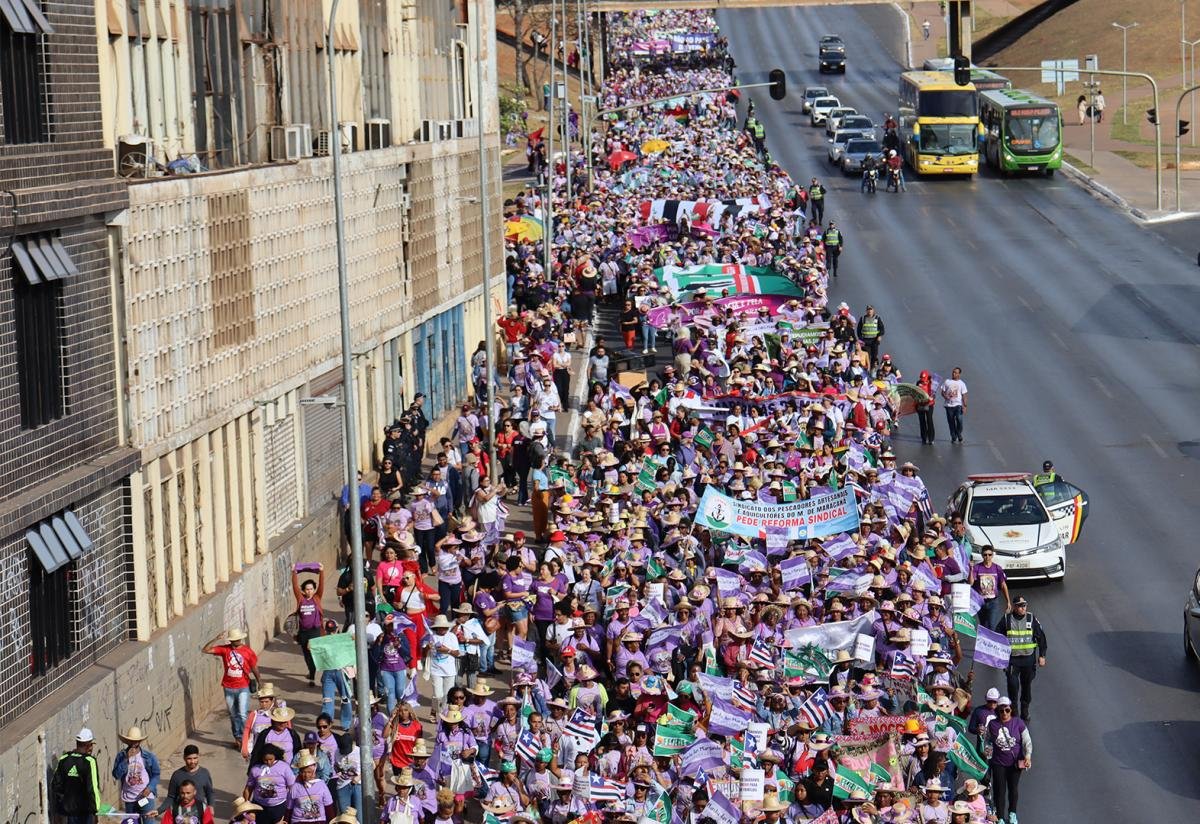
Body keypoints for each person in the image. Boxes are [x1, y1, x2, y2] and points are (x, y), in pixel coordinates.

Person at [201, 627, 261, 745]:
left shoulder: (248, 651)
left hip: (243, 686)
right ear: (230, 641)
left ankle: (245, 737)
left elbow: (254, 667)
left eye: (238, 640)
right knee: (233, 715)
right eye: (234, 640)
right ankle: (237, 737)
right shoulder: (225, 650)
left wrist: (260, 680)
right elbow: (205, 650)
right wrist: (215, 639)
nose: (236, 642)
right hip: (228, 687)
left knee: (242, 714)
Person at [996, 596, 1047, 720]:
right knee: (1013, 686)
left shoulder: (1031, 618)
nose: (1023, 608)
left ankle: (1025, 710)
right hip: (1012, 660)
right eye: (1020, 605)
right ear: (1014, 607)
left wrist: (1042, 655)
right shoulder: (1006, 619)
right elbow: (996, 636)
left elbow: (1041, 637)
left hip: (1028, 660)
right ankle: (1014, 713)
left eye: (1024, 605)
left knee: (1026, 686)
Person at [984, 697, 1032, 824]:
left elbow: (1027, 741)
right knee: (999, 790)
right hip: (998, 763)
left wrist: (1027, 756)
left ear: (1011, 710)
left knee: (1013, 789)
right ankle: (1000, 817)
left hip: (1015, 763)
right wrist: (987, 751)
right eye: (1001, 711)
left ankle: (1012, 813)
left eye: (1007, 710)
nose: (1004, 713)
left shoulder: (1018, 723)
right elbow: (987, 740)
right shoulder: (993, 724)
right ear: (998, 712)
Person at [51, 728, 102, 824]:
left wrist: (59, 810)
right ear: (88, 745)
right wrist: (95, 811)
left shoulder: (64, 759)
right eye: (91, 745)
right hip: (85, 813)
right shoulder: (89, 762)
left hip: (68, 813)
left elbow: (56, 786)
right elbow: (93, 789)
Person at [111, 725, 160, 817]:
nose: (133, 743)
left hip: (145, 797)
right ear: (127, 741)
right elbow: (116, 775)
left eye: (136, 740)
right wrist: (126, 759)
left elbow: (156, 774)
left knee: (148, 822)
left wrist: (150, 788)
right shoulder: (121, 756)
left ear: (140, 741)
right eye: (131, 740)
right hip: (129, 798)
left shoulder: (148, 756)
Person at [292, 563, 326, 685]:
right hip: (303, 632)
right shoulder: (301, 599)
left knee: (313, 653)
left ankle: (313, 676)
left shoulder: (316, 598)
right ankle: (311, 673)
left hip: (315, 631)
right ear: (303, 590)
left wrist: (321, 571)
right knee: (306, 655)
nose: (309, 591)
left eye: (311, 589)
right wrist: (294, 573)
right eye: (307, 589)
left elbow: (322, 586)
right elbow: (294, 586)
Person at [160, 743, 214, 812]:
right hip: (181, 814)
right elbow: (171, 797)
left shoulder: (205, 773)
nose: (192, 761)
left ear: (198, 757)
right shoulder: (177, 775)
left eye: (195, 758)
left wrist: (211, 806)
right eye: (189, 759)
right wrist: (159, 810)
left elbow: (210, 793)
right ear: (184, 758)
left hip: (201, 812)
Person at [969, 545, 1010, 630]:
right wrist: (970, 570)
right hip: (980, 602)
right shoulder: (977, 567)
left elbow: (1003, 585)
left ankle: (993, 641)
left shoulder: (997, 568)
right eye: (985, 555)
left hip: (993, 602)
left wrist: (1008, 601)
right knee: (984, 627)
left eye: (989, 554)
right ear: (982, 555)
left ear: (992, 555)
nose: (987, 557)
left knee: (992, 626)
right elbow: (970, 582)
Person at [940, 366, 967, 443]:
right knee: (951, 422)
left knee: (959, 419)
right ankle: (953, 436)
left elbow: (964, 395)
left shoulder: (962, 383)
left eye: (955, 372)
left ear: (959, 374)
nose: (953, 373)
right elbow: (942, 392)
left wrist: (965, 406)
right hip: (948, 406)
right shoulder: (947, 381)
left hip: (958, 405)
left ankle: (959, 433)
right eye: (953, 372)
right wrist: (945, 396)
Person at [916, 369, 936, 444]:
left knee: (929, 420)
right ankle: (924, 438)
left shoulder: (931, 383)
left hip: (929, 404)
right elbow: (915, 392)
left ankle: (931, 438)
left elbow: (934, 393)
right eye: (921, 379)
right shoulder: (918, 383)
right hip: (920, 404)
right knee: (922, 421)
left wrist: (932, 397)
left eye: (924, 379)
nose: (922, 380)